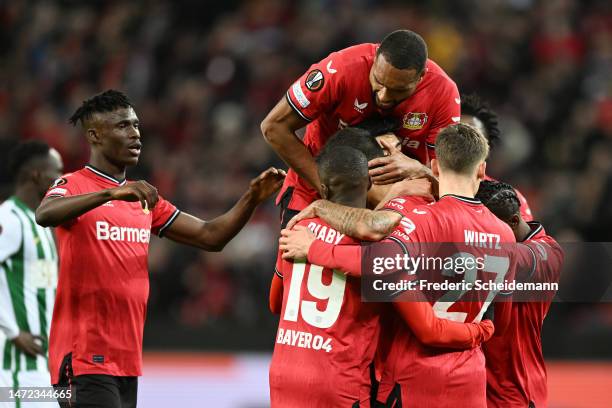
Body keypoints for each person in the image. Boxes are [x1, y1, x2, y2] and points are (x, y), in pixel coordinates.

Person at [34, 90, 285, 408]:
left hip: (125, 358)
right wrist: (109, 194)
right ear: (94, 135)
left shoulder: (142, 199)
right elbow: (45, 214)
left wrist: (250, 198)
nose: (135, 133)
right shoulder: (74, 185)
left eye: (136, 125)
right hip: (83, 356)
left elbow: (210, 236)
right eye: (123, 126)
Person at [281, 123, 517, 407]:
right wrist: (478, 331)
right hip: (470, 381)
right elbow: (499, 320)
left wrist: (314, 248)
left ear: (435, 166)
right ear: (481, 169)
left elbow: (374, 263)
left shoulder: (418, 218)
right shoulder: (505, 234)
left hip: (412, 378)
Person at [261, 29, 460, 227]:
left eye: (397, 90)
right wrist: (329, 190)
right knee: (299, 250)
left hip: (393, 208)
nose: (383, 96)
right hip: (314, 190)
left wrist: (421, 170)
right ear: (374, 60)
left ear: (421, 76)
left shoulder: (442, 93)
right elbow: (274, 126)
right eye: (379, 82)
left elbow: (453, 183)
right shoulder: (340, 69)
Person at [476, 180, 563, 408]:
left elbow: (508, 257)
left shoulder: (548, 253)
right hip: (479, 383)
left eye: (487, 229)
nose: (483, 236)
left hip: (517, 392)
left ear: (514, 221)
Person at [0, 141, 63, 408]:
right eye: (57, 172)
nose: (62, 180)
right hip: (17, 364)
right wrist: (12, 330)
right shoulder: (10, 218)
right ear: (36, 175)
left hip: (43, 360)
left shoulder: (41, 223)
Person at [460, 93, 534, 221]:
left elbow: (536, 241)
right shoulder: (420, 189)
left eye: (475, 138)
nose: (464, 144)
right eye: (457, 135)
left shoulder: (507, 199)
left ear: (487, 150)